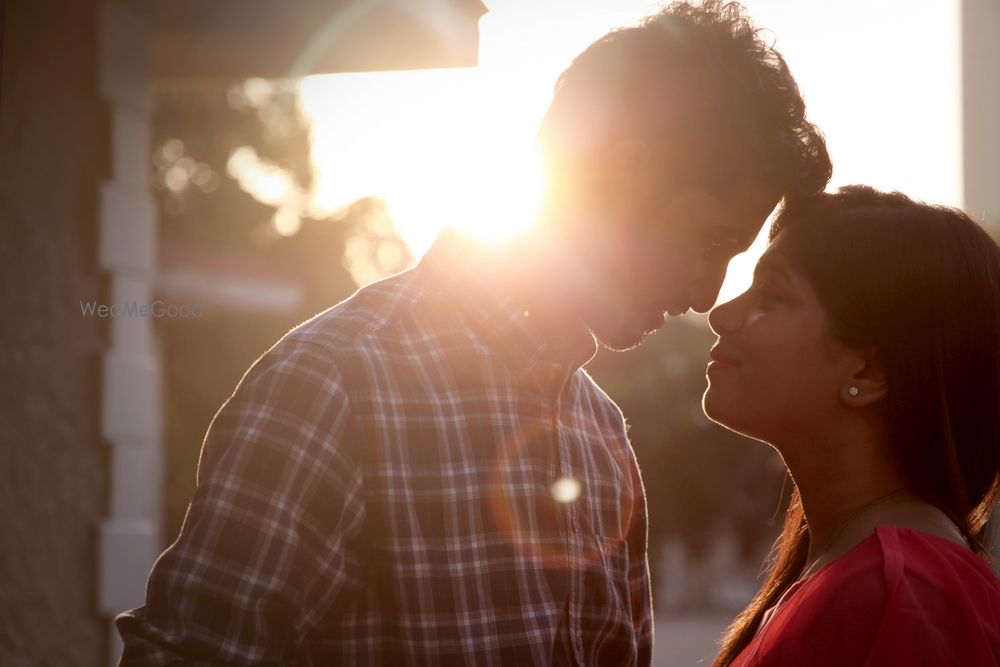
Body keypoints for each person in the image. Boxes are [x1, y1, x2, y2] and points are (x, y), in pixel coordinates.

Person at [117, 2, 831, 664]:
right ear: (625, 175)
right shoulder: (329, 389)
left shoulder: (601, 435)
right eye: (711, 242)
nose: (708, 293)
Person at [704, 186, 1000, 666]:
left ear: (867, 372)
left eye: (772, 296)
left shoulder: (907, 591)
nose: (721, 314)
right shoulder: (864, 573)